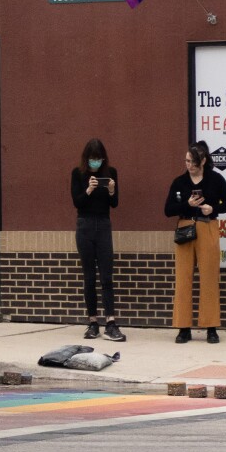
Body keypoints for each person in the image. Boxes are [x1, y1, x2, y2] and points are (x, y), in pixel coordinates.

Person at [164, 141, 226, 344]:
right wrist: (186, 204)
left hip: (208, 226)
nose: (188, 165)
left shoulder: (216, 180)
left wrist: (213, 209)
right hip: (186, 228)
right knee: (183, 278)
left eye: (192, 162)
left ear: (202, 161)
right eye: (186, 161)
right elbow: (167, 209)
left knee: (209, 277)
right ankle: (183, 327)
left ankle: (211, 327)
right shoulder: (179, 182)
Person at [70, 138, 126, 342]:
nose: (96, 162)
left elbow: (115, 203)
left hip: (103, 225)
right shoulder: (78, 174)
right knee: (89, 277)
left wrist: (111, 189)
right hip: (84, 225)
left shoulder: (111, 173)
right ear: (87, 158)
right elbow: (77, 202)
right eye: (93, 159)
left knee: (106, 276)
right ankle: (92, 322)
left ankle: (111, 322)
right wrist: (88, 189)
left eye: (99, 159)